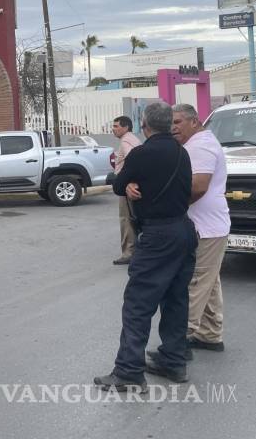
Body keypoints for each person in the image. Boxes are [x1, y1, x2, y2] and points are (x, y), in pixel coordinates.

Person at [94, 101, 196, 391]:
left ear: (145, 125)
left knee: (138, 303)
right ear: (169, 124)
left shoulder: (141, 154)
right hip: (185, 230)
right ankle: (174, 361)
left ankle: (128, 371)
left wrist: (127, 185)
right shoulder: (182, 153)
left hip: (158, 235)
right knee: (176, 299)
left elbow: (117, 184)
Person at [170, 104, 230, 355]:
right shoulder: (197, 143)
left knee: (195, 283)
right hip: (210, 225)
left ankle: (176, 345)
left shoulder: (201, 145)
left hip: (206, 228)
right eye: (171, 123)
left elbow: (198, 187)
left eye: (178, 122)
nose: (173, 127)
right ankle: (210, 334)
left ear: (194, 122)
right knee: (209, 282)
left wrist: (172, 208)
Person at [111, 115, 142, 265]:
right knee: (132, 218)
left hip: (127, 186)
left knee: (126, 219)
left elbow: (133, 159)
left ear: (126, 127)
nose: (114, 129)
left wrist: (129, 182)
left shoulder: (126, 141)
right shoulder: (132, 139)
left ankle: (129, 253)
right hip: (131, 184)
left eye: (117, 126)